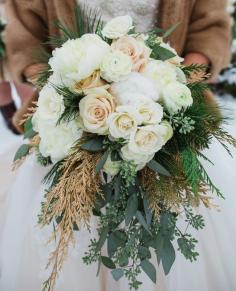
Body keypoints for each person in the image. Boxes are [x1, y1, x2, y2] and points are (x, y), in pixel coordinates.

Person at [0, 1, 233, 291]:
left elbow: (208, 28)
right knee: (71, 239)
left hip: (170, 121)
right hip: (70, 128)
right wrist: (68, 89)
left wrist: (169, 84)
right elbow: (26, 38)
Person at [0, 0, 34, 134]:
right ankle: (18, 126)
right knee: (3, 90)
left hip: (13, 31)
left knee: (23, 85)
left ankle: (32, 128)